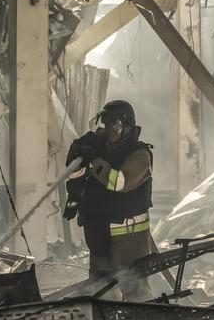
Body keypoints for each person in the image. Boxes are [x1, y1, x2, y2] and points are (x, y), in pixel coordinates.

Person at [63, 100, 155, 301]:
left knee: (136, 293)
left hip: (129, 242)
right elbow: (73, 175)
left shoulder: (140, 155)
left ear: (126, 126)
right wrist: (78, 152)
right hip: (99, 235)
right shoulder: (99, 148)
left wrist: (95, 160)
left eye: (114, 125)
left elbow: (118, 182)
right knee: (101, 294)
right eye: (106, 125)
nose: (109, 130)